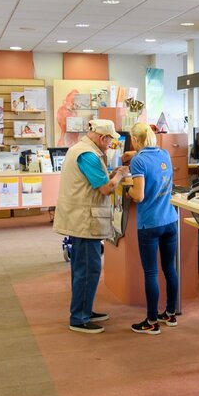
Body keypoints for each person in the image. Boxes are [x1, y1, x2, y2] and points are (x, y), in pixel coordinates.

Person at [54, 119, 128, 334]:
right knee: (88, 269)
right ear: (103, 138)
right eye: (110, 141)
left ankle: (84, 309)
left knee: (83, 268)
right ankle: (79, 318)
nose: (111, 145)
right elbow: (105, 189)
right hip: (84, 221)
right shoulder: (88, 155)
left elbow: (94, 181)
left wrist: (112, 175)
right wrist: (120, 176)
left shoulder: (81, 150)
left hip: (80, 219)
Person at [127, 122, 179, 335]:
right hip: (170, 220)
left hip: (149, 223)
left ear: (135, 140)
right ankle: (170, 314)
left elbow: (138, 195)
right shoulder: (164, 153)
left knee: (151, 272)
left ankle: (151, 321)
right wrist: (133, 154)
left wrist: (128, 190)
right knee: (169, 268)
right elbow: (150, 159)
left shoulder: (138, 161)